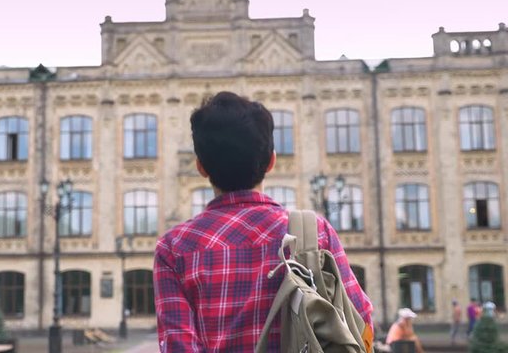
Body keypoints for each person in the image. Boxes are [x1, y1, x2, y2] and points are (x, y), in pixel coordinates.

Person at [153, 91, 373, 352]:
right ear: (271, 161)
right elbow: (361, 322)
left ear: (201, 167)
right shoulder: (314, 233)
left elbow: (178, 345)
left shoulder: (174, 249)